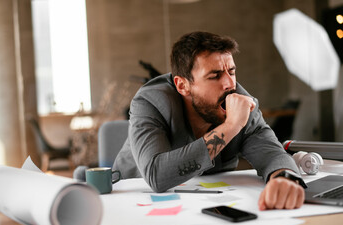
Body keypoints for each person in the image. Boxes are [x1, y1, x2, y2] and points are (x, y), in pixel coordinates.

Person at [113, 31, 305, 210]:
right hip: (134, 200)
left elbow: (271, 153)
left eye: (231, 71)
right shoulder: (151, 102)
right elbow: (157, 175)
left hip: (206, 202)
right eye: (215, 76)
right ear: (183, 85)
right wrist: (230, 127)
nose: (230, 84)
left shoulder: (241, 103)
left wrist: (284, 177)